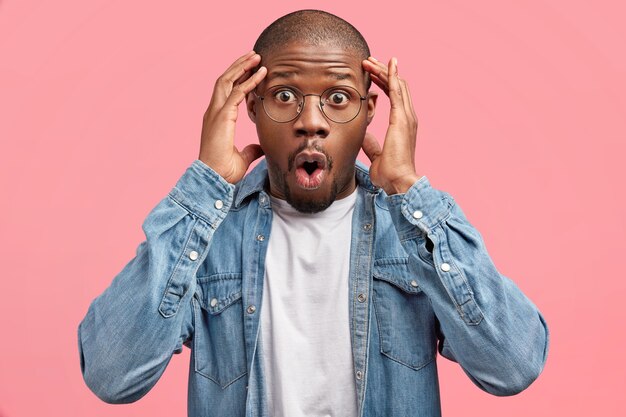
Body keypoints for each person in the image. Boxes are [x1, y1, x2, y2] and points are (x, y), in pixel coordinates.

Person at [78, 9, 549, 417]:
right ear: (251, 107)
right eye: (283, 95)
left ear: (371, 111)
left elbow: (512, 365)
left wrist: (409, 190)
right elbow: (110, 374)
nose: (312, 121)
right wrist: (204, 187)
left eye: (338, 98)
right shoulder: (207, 237)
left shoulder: (411, 235)